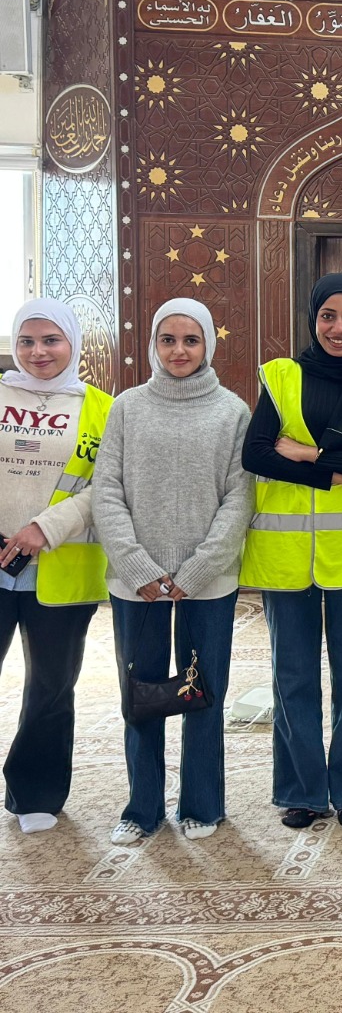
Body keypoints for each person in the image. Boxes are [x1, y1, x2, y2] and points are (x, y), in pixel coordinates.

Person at [240, 273, 342, 830]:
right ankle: (302, 791)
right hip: (286, 558)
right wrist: (341, 474)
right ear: (312, 318)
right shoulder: (282, 376)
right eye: (328, 316)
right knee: (293, 677)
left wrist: (308, 455)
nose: (339, 328)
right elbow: (258, 454)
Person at [93, 298, 252, 843]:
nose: (179, 350)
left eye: (191, 340)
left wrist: (199, 569)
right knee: (140, 695)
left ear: (208, 344)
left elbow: (239, 497)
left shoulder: (232, 412)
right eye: (168, 340)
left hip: (207, 583)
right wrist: (136, 565)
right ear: (153, 345)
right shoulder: (127, 408)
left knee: (202, 691)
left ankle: (202, 804)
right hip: (136, 584)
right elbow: (106, 491)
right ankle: (142, 809)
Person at [0, 299, 110, 834]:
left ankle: (35, 792)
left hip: (62, 565)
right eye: (27, 341)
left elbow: (108, 486)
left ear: (73, 344)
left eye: (51, 341)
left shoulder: (102, 408)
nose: (38, 352)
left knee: (50, 684)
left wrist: (46, 526)